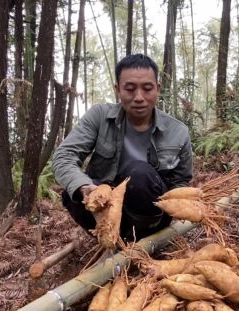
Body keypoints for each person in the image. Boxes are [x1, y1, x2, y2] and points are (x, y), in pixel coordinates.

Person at [52, 54, 193, 240]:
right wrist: (84, 186)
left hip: (152, 213)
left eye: (147, 88)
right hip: (105, 207)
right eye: (130, 89)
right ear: (117, 90)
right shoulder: (100, 117)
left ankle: (139, 239)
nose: (139, 97)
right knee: (72, 194)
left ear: (157, 89)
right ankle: (111, 236)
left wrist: (177, 207)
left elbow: (181, 181)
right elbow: (64, 156)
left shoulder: (178, 132)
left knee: (139, 173)